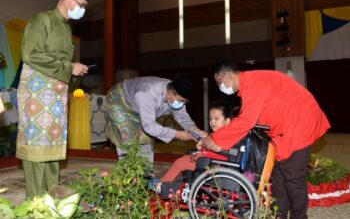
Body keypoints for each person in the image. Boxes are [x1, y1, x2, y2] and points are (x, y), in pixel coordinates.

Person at [201, 60, 330, 219]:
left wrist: (215, 138)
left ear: (228, 76)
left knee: (292, 176)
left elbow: (247, 120)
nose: (221, 87)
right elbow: (248, 117)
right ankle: (279, 215)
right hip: (286, 128)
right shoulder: (250, 85)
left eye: (220, 82)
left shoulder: (254, 83)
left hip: (300, 123)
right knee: (278, 176)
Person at [16, 0, 93, 199]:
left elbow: (62, 64)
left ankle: (51, 195)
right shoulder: (43, 19)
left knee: (52, 144)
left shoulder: (66, 28)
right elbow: (30, 54)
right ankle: (36, 200)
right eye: (80, 3)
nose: (82, 9)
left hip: (57, 92)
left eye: (84, 5)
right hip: (37, 90)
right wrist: (70, 67)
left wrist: (74, 72)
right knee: (36, 144)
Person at [106, 74, 207, 162]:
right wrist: (179, 134)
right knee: (127, 140)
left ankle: (146, 175)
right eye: (181, 100)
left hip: (139, 106)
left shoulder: (176, 96)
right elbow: (149, 126)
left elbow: (183, 118)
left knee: (145, 140)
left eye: (185, 101)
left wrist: (195, 130)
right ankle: (128, 176)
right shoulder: (148, 93)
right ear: (170, 92)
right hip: (120, 102)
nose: (182, 104)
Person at [158, 99, 238, 185]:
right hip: (207, 159)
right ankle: (174, 184)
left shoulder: (224, 134)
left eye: (216, 119)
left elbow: (217, 148)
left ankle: (162, 184)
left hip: (211, 163)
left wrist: (204, 143)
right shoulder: (222, 133)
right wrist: (203, 142)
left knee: (179, 163)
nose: (212, 122)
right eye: (210, 119)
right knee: (185, 160)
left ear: (227, 121)